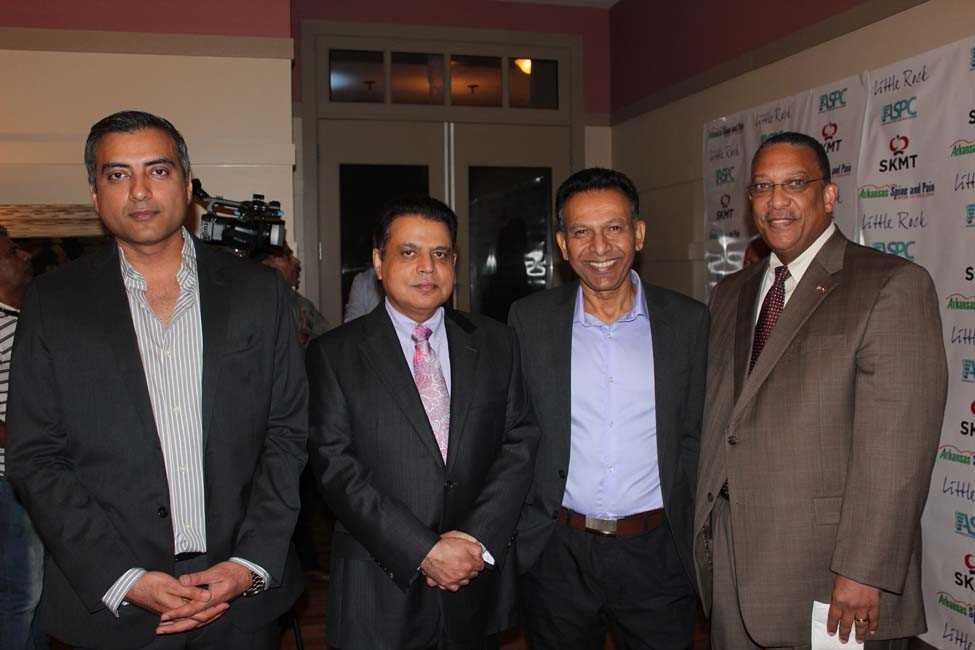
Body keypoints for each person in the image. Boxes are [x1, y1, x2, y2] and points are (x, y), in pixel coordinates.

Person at [6, 110, 308, 650]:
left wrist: (249, 564)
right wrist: (122, 577)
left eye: (158, 170)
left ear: (187, 187)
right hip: (109, 601)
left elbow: (286, 434)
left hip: (239, 599)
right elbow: (35, 454)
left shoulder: (258, 293)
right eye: (118, 174)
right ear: (95, 194)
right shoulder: (52, 303)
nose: (140, 191)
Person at [693, 131, 947, 649]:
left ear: (828, 195)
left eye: (795, 184)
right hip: (733, 557)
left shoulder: (890, 284)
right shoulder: (731, 293)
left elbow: (897, 450)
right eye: (762, 187)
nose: (776, 201)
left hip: (829, 572)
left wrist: (864, 570)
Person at [307, 196, 538, 649]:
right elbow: (336, 468)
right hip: (380, 583)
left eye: (440, 254)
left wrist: (473, 539)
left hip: (474, 575)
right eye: (409, 252)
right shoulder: (334, 355)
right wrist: (424, 550)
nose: (427, 268)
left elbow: (520, 441)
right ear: (379, 262)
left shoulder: (496, 342)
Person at [509, 167, 709, 649]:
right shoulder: (529, 321)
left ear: (638, 234)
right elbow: (515, 432)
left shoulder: (688, 322)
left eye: (614, 228)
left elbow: (696, 435)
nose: (600, 247)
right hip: (558, 552)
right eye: (582, 232)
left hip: (657, 553)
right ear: (563, 244)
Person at [0, 228, 47, 649]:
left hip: (31, 477)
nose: (26, 256)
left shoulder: (26, 320)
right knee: (21, 594)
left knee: (38, 596)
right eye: (12, 252)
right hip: (7, 481)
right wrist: (28, 439)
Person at [255, 243, 330, 347]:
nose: (296, 261)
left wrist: (306, 336)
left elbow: (330, 343)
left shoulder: (301, 303)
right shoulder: (253, 306)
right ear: (266, 264)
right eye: (287, 257)